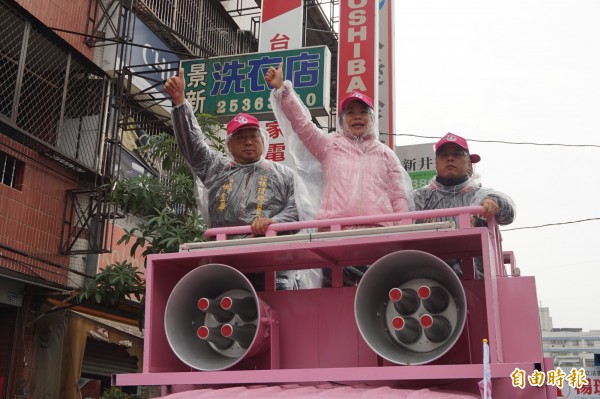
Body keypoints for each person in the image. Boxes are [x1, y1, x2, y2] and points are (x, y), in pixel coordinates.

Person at [164, 68, 320, 290]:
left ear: (262, 139)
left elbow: (300, 208)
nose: (248, 142)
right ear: (229, 144)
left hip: (273, 267)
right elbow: (193, 144)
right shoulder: (216, 169)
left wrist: (272, 223)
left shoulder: (283, 174)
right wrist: (180, 103)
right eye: (241, 138)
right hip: (225, 261)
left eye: (252, 136)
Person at [265, 63, 413, 229]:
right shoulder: (330, 145)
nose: (357, 117)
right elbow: (302, 124)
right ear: (342, 120)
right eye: (350, 112)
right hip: (334, 228)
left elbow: (399, 195)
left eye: (363, 112)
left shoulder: (386, 154)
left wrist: (404, 227)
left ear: (372, 118)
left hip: (378, 228)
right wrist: (283, 90)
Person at [413, 132, 516, 278]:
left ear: (468, 162)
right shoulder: (419, 198)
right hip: (429, 278)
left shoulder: (480, 195)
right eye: (443, 155)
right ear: (435, 163)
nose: (450, 158)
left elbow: (508, 214)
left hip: (479, 281)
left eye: (457, 154)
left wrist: (494, 202)